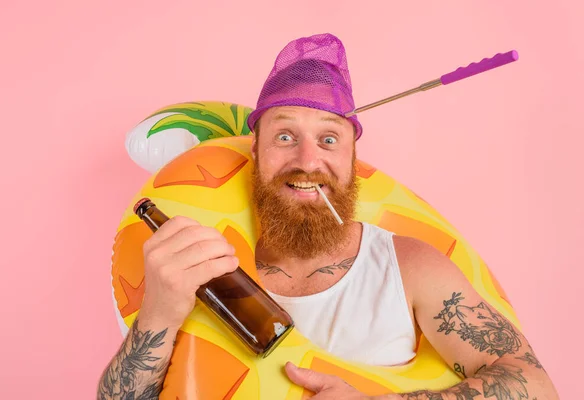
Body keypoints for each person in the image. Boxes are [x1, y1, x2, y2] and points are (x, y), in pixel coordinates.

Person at [97, 33, 559, 399]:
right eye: (284, 137)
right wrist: (158, 311)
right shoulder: (201, 262)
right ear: (253, 150)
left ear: (354, 158)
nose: (307, 160)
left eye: (329, 139)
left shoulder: (409, 267)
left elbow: (535, 387)